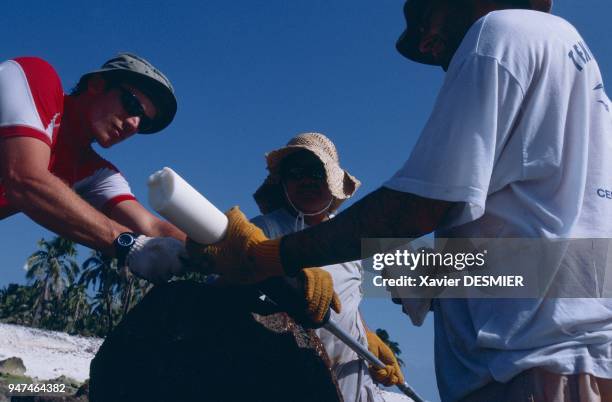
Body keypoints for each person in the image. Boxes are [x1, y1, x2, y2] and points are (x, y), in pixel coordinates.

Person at [188, 0, 612, 400]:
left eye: (427, 18)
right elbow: (554, 261)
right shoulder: (579, 73)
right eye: (294, 172)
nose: (426, 43)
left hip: (531, 366)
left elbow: (415, 210)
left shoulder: (498, 33)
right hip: (574, 360)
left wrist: (272, 260)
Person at [0, 53, 186, 284]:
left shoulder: (95, 171)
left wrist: (222, 249)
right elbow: (24, 179)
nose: (134, 124)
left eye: (144, 122)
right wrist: (129, 245)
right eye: (132, 105)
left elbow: (152, 227)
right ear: (97, 85)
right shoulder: (34, 77)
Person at [251, 132, 408, 402]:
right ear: (283, 183)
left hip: (353, 381)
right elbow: (227, 278)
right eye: (295, 172)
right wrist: (286, 272)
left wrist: (367, 334)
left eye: (316, 171)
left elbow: (350, 300)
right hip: (289, 382)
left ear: (333, 180)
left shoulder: (349, 235)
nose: (306, 180)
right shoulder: (264, 230)